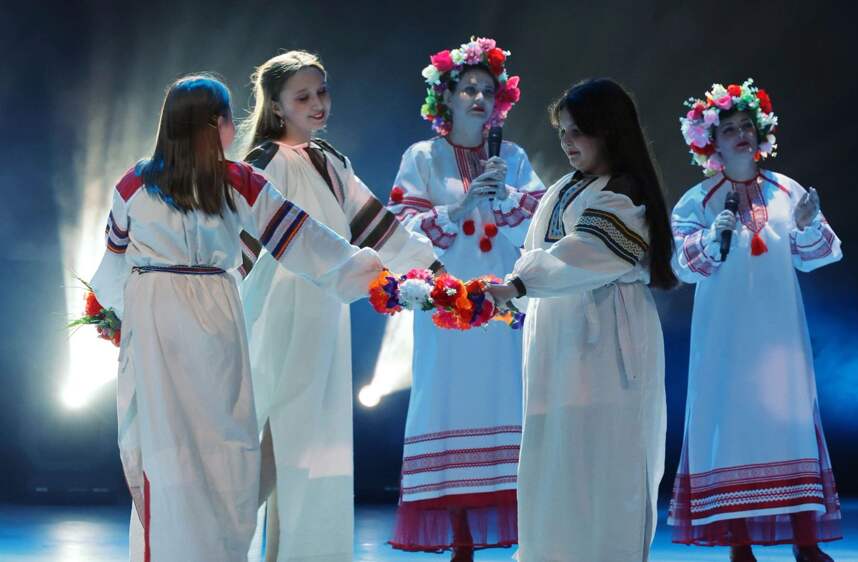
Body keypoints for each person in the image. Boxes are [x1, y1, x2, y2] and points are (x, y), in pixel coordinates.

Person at [88, 74, 385, 562]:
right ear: (215, 124)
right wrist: (366, 272)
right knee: (223, 442)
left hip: (159, 314)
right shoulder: (232, 181)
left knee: (170, 446)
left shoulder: (141, 183)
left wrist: (117, 312)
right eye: (228, 119)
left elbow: (113, 260)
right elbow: (304, 240)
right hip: (209, 315)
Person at [236, 50, 438, 562]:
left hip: (326, 309)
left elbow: (378, 227)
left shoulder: (329, 160)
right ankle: (218, 537)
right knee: (274, 433)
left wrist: (436, 275)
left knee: (306, 440)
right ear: (277, 106)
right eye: (303, 96)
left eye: (321, 92)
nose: (317, 104)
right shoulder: (264, 162)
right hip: (279, 309)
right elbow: (238, 240)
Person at [487, 78, 676, 562]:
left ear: (608, 131)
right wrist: (513, 295)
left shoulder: (623, 192)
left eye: (578, 132)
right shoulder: (562, 188)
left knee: (603, 456)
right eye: (563, 133)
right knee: (553, 453)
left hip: (605, 340)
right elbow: (538, 255)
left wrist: (518, 286)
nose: (568, 143)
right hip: (557, 338)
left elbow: (584, 254)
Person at [668, 78, 842, 562]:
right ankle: (739, 545)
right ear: (712, 143)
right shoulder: (697, 201)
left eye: (747, 126)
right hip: (725, 338)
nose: (741, 134)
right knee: (731, 429)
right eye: (729, 129)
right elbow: (681, 266)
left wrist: (806, 223)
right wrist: (712, 239)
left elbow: (820, 255)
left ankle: (805, 543)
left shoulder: (786, 190)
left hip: (779, 335)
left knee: (788, 425)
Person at [383, 37, 544, 561]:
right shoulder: (422, 157)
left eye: (487, 91)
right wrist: (458, 208)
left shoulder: (512, 158)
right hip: (448, 307)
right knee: (447, 403)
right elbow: (400, 230)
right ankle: (460, 538)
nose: (479, 98)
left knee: (506, 399)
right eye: (468, 89)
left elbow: (543, 226)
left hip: (501, 303)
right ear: (446, 98)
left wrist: (506, 197)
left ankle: (523, 532)